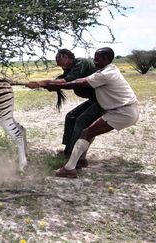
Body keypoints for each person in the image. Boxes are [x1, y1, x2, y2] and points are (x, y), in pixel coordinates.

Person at [43, 47, 139, 178]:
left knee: (86, 131)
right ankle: (78, 160)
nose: (94, 61)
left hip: (123, 112)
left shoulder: (105, 74)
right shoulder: (106, 70)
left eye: (96, 58)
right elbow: (69, 79)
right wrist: (49, 83)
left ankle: (71, 167)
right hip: (120, 110)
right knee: (87, 130)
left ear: (105, 59)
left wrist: (50, 84)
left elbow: (77, 83)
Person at [26, 49, 105, 168]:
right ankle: (68, 150)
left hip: (103, 100)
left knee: (81, 121)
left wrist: (42, 83)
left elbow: (68, 81)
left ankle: (75, 157)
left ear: (68, 57)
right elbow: (61, 79)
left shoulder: (80, 63)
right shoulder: (70, 68)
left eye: (60, 59)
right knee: (70, 116)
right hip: (95, 99)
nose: (58, 61)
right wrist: (46, 84)